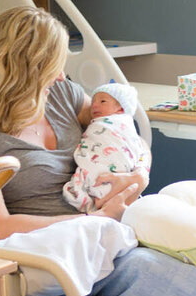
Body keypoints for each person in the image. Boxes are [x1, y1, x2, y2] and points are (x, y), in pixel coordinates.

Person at [0, 7, 148, 238]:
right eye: (53, 67)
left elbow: (127, 135)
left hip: (121, 225)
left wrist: (141, 174)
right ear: (24, 71)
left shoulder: (61, 95)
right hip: (66, 243)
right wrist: (95, 220)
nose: (62, 76)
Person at [63, 82, 151, 214]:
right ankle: (102, 196)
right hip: (78, 217)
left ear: (121, 109)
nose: (94, 105)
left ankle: (103, 194)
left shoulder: (117, 123)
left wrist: (140, 174)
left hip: (121, 176)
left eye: (102, 101)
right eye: (93, 102)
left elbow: (138, 144)